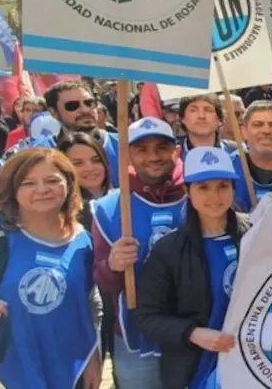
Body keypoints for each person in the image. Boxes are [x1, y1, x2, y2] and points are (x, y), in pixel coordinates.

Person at [136, 147, 251, 389]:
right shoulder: (168, 250)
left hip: (252, 364)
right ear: (188, 192)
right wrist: (193, 333)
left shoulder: (256, 234)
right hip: (195, 369)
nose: (214, 196)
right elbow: (148, 317)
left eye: (222, 186)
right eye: (203, 187)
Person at [93, 117, 187, 389]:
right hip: (135, 333)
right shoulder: (109, 208)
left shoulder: (198, 195)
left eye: (161, 147)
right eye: (141, 149)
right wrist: (112, 265)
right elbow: (100, 279)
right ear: (127, 155)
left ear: (175, 150)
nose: (153, 156)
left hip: (191, 327)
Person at [0, 148, 102, 389]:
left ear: (69, 184)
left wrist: (93, 355)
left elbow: (89, 303)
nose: (42, 189)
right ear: (12, 189)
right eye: (29, 183)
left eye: (53, 180)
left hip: (70, 366)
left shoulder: (83, 240)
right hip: (10, 369)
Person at [57, 132, 117, 374]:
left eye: (95, 159)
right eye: (77, 163)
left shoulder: (122, 203)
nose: (90, 168)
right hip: (83, 316)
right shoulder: (59, 216)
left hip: (123, 311)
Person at [42, 82, 121, 187]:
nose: (85, 110)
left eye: (89, 103)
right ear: (53, 113)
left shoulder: (122, 144)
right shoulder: (42, 152)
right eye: (72, 106)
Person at [177, 95, 237, 161]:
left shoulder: (239, 153)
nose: (201, 116)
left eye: (208, 110)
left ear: (219, 119)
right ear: (182, 118)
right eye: (193, 110)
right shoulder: (174, 154)